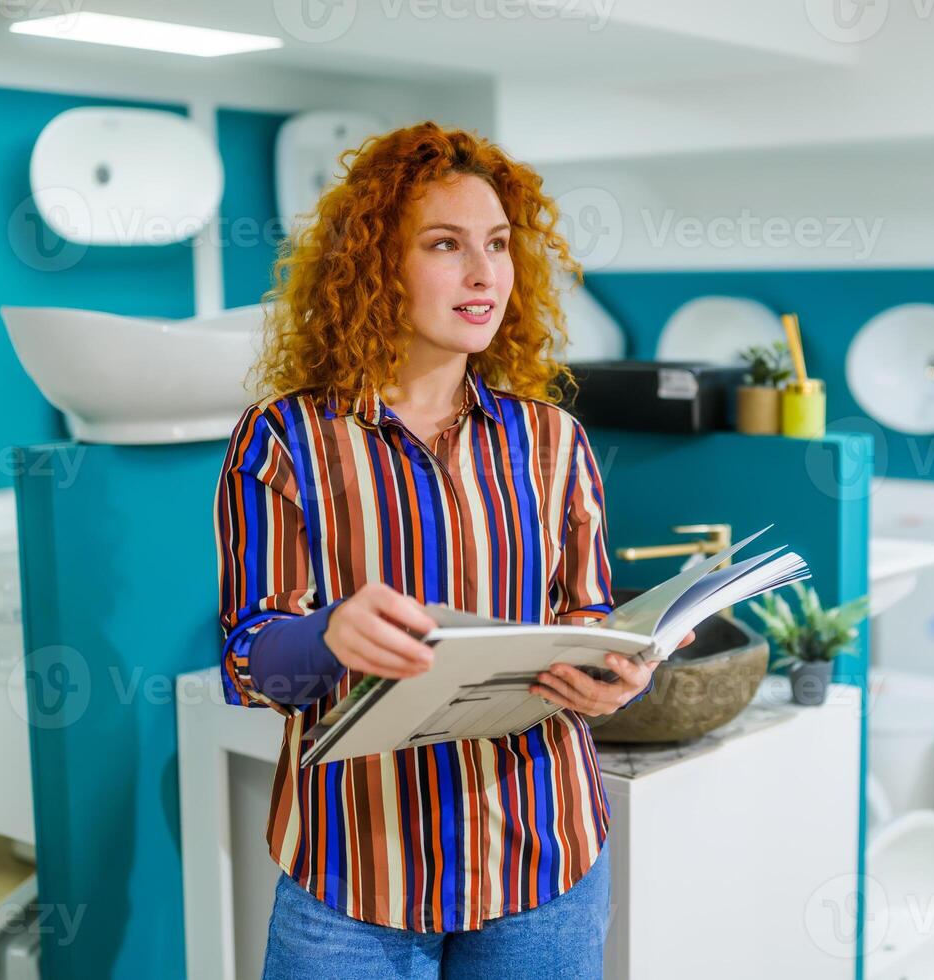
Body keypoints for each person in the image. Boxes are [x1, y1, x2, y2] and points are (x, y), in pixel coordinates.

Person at [213, 121, 693, 979]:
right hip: (353, 873)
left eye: (500, 246)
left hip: (543, 861)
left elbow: (583, 615)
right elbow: (250, 661)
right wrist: (325, 634)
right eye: (446, 245)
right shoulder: (285, 439)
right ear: (374, 266)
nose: (484, 274)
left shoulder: (554, 440)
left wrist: (615, 674)